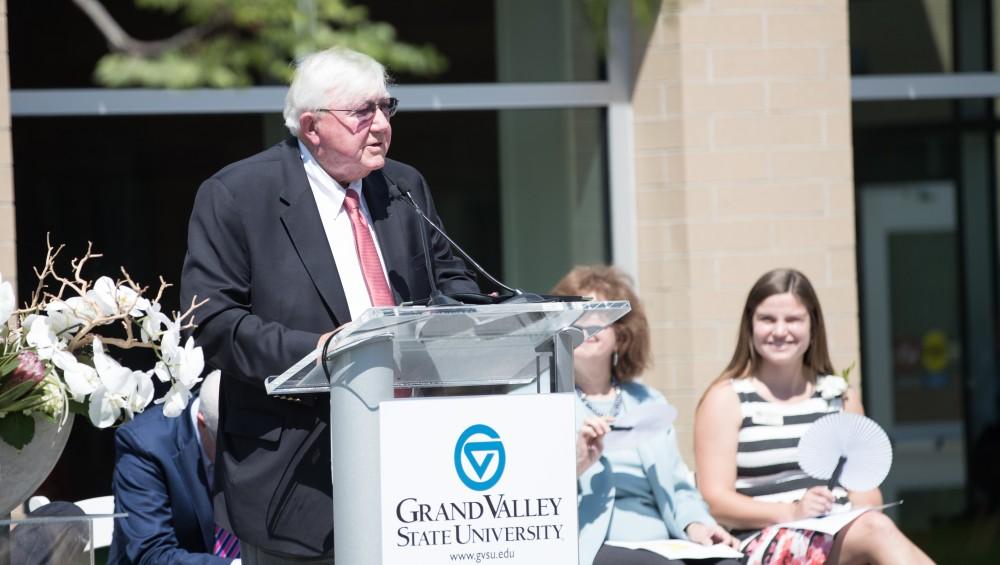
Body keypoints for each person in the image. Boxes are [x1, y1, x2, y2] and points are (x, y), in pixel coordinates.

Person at [179, 46, 477, 563]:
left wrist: (462, 316)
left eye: (387, 108)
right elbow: (213, 323)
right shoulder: (238, 194)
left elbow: (452, 278)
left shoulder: (402, 187)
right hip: (295, 476)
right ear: (313, 126)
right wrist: (321, 351)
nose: (382, 125)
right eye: (364, 112)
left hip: (419, 465)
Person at [694, 268, 933, 564]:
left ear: (813, 326)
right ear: (749, 325)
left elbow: (866, 492)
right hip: (764, 539)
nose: (780, 331)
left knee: (876, 526)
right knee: (877, 531)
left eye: (793, 319)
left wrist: (853, 508)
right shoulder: (726, 399)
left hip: (845, 530)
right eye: (767, 319)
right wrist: (791, 511)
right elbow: (716, 500)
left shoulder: (839, 396)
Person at [554, 265, 739, 565]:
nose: (586, 323)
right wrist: (574, 463)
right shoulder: (546, 404)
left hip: (665, 541)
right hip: (594, 541)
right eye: (577, 314)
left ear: (622, 335)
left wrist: (699, 526)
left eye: (599, 315)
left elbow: (679, 487)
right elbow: (529, 491)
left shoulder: (647, 400)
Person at [109, 371, 239, 564]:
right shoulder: (145, 445)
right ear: (202, 423)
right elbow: (151, 554)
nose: (242, 461)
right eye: (231, 449)